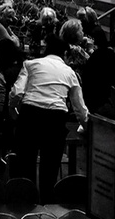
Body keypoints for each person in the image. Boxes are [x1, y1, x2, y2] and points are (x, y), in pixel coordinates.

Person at [9, 35, 89, 202]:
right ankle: (46, 204)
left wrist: (14, 113)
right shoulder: (69, 72)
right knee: (50, 167)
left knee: (26, 164)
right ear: (65, 54)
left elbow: (17, 92)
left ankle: (27, 205)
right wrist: (86, 127)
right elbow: (79, 108)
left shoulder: (30, 64)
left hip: (30, 115)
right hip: (55, 119)